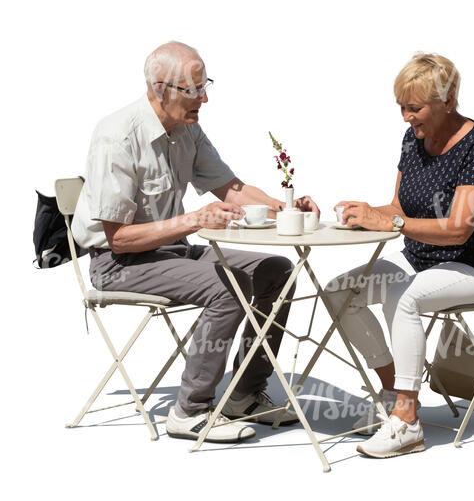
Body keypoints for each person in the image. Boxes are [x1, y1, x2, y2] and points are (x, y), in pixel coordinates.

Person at [72, 41, 320, 443]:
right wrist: (190, 220)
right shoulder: (117, 136)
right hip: (118, 263)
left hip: (170, 252)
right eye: (193, 90)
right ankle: (190, 410)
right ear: (159, 88)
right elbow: (118, 240)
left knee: (278, 271)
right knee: (230, 284)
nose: (204, 98)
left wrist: (285, 208)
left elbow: (230, 187)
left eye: (206, 86)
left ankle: (243, 394)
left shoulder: (187, 129)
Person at [327, 53, 474, 458]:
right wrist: (367, 214)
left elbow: (460, 227)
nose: (406, 117)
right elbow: (399, 209)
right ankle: (394, 395)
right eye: (402, 107)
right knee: (339, 292)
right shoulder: (414, 139)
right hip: (421, 259)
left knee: (405, 296)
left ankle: (407, 422)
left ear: (448, 100)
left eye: (415, 108)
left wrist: (389, 224)